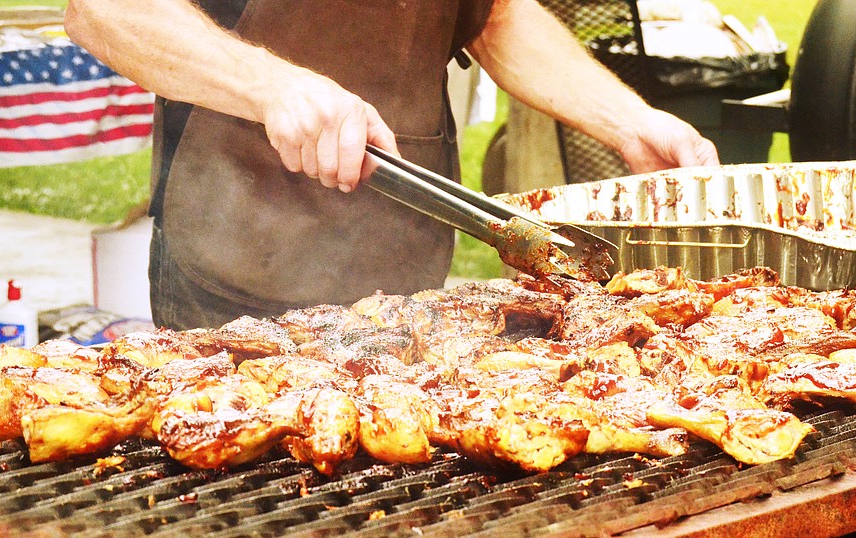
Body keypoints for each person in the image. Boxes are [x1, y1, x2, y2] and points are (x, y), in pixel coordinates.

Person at [64, 0, 720, 330]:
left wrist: (630, 121)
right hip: (234, 277)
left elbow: (496, 16)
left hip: (407, 282)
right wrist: (272, 86)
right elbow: (102, 10)